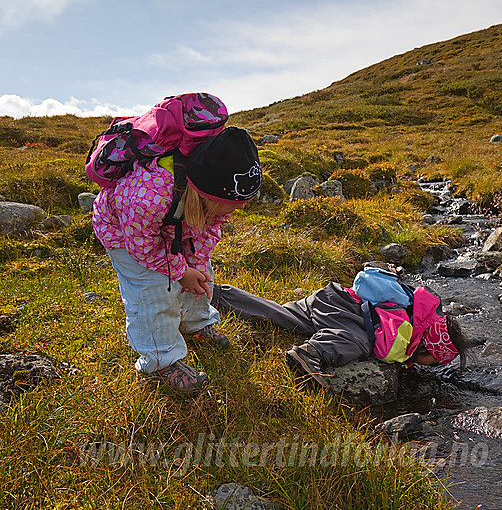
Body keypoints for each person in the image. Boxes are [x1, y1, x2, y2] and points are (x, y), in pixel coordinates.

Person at [92, 126, 262, 394]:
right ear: (207, 193)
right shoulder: (148, 196)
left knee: (202, 273)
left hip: (173, 226)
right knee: (155, 290)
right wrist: (181, 273)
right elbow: (143, 247)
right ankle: (160, 360)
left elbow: (211, 225)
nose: (239, 208)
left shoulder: (215, 193)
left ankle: (196, 323)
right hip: (125, 236)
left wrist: (193, 265)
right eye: (234, 203)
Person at [211, 264, 467, 388]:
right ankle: (312, 352)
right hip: (341, 312)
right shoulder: (406, 331)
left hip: (333, 298)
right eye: (434, 362)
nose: (431, 367)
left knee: (279, 315)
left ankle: (218, 295)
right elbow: (384, 351)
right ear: (427, 349)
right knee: (360, 342)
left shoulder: (418, 314)